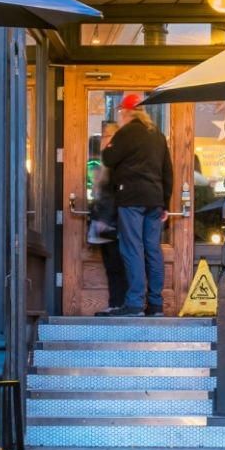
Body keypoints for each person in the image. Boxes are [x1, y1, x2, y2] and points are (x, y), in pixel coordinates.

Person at [100, 94, 174, 317]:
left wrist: (108, 145)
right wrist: (165, 204)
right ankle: (156, 305)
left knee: (132, 248)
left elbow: (108, 158)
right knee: (152, 250)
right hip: (155, 201)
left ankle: (134, 304)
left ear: (126, 112)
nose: (120, 115)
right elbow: (167, 172)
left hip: (131, 199)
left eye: (121, 111)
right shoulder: (158, 136)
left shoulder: (127, 132)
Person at [88, 121, 127, 312]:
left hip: (113, 221)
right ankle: (115, 303)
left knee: (117, 264)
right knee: (112, 266)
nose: (104, 139)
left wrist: (105, 219)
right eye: (103, 135)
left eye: (107, 135)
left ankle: (119, 304)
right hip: (109, 219)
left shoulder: (115, 161)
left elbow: (113, 194)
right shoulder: (106, 161)